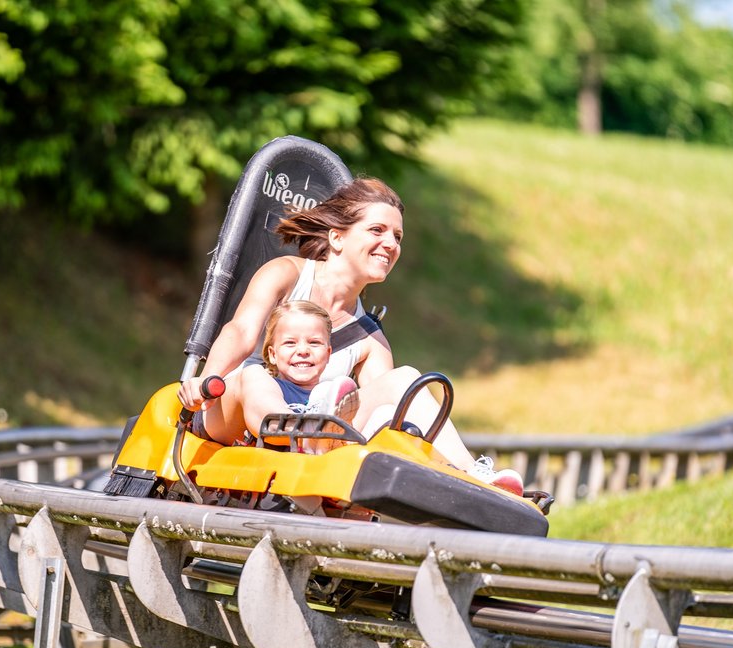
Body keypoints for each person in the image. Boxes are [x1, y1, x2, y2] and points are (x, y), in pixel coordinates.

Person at [178, 177, 523, 493]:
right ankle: (298, 427)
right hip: (232, 416)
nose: (390, 244)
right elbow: (240, 332)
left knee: (403, 382)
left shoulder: (369, 338)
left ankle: (469, 476)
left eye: (397, 237)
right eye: (377, 230)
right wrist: (206, 381)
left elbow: (384, 421)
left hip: (314, 437)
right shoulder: (284, 274)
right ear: (337, 237)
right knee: (254, 376)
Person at [234, 299, 359, 451]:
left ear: (328, 354)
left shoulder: (331, 395)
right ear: (273, 354)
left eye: (314, 342)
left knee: (330, 391)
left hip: (321, 421)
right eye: (290, 343)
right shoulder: (266, 385)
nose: (303, 350)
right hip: (239, 426)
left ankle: (375, 433)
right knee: (252, 373)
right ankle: (308, 432)